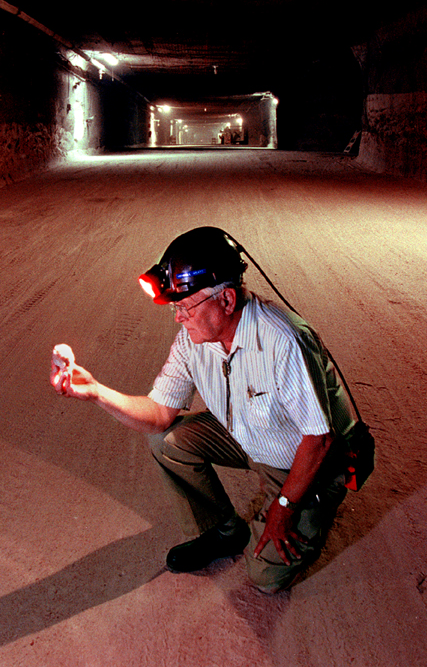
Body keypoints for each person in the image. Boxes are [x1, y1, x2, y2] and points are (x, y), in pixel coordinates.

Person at [50, 226, 358, 593]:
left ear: (227, 301)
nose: (178, 318)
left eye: (185, 306)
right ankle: (222, 532)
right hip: (251, 435)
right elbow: (158, 414)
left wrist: (284, 506)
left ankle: (314, 510)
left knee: (265, 577)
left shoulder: (283, 340)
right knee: (167, 440)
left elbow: (319, 440)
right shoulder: (193, 341)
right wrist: (97, 392)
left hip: (306, 461)